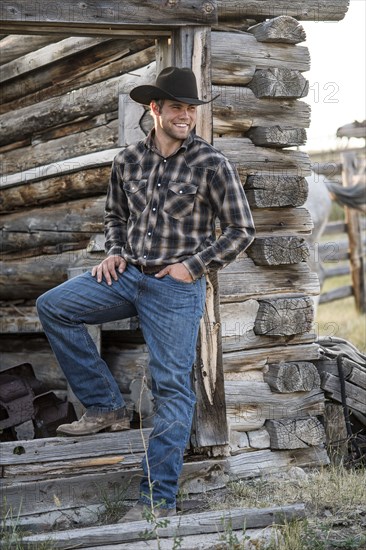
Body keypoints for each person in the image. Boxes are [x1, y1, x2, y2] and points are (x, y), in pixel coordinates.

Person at [36, 66, 255, 522]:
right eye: (177, 107)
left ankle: (156, 500)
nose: (186, 116)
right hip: (129, 274)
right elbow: (115, 217)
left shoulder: (212, 163)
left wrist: (191, 267)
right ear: (153, 108)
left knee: (171, 388)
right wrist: (114, 251)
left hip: (174, 288)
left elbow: (241, 231)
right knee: (54, 306)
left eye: (191, 109)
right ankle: (105, 407)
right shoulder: (128, 160)